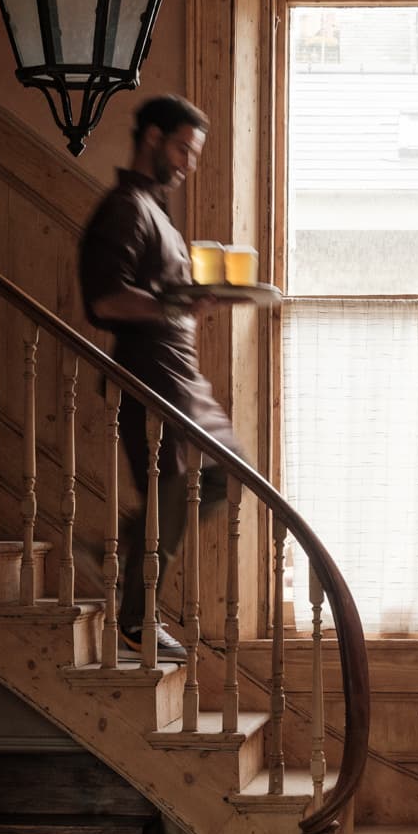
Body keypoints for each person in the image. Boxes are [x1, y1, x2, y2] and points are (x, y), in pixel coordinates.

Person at [78, 94, 243, 663]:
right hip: (150, 380)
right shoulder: (125, 207)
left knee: (218, 475)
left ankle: (114, 558)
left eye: (193, 153)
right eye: (181, 148)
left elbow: (155, 295)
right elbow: (105, 299)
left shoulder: (155, 208)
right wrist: (176, 308)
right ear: (151, 136)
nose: (188, 163)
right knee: (178, 487)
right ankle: (134, 621)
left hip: (179, 376)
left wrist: (190, 300)